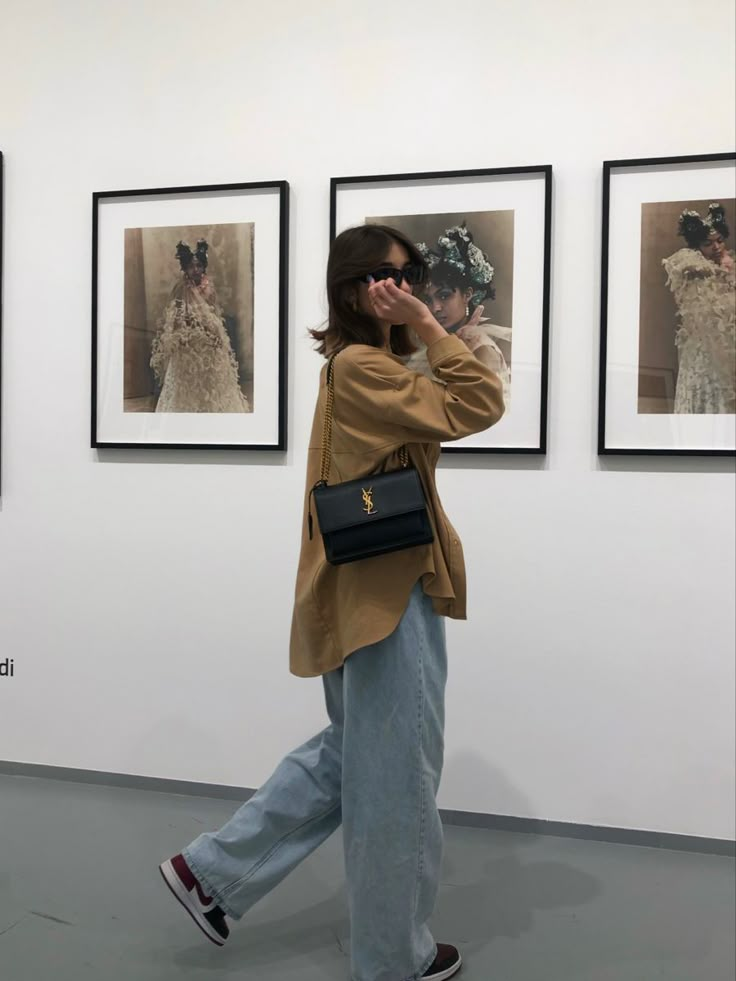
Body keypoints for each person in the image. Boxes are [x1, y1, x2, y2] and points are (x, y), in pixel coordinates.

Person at [158, 224, 505, 981]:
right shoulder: (362, 367)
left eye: (413, 274)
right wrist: (425, 323)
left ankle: (210, 873)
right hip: (385, 593)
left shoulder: (360, 365)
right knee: (398, 776)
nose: (410, 285)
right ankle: (392, 958)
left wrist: (413, 329)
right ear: (356, 287)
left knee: (354, 757)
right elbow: (479, 401)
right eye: (394, 275)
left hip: (366, 589)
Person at [405, 222, 512, 405]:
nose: (435, 308)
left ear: (467, 294)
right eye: (428, 300)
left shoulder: (481, 347)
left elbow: (488, 411)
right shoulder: (429, 348)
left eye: (444, 296)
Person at [150, 239, 250, 413]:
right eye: (191, 266)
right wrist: (183, 332)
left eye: (198, 266)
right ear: (185, 268)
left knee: (213, 372)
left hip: (208, 334)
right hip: (189, 335)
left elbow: (214, 312)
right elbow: (178, 312)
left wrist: (215, 333)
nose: (195, 270)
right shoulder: (181, 288)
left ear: (203, 267)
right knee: (188, 372)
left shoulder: (208, 287)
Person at [662, 203, 736, 414]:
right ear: (697, 246)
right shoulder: (689, 262)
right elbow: (676, 265)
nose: (717, 247)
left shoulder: (729, 264)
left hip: (727, 343)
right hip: (702, 348)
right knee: (707, 387)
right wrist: (719, 271)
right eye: (708, 243)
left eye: (720, 240)